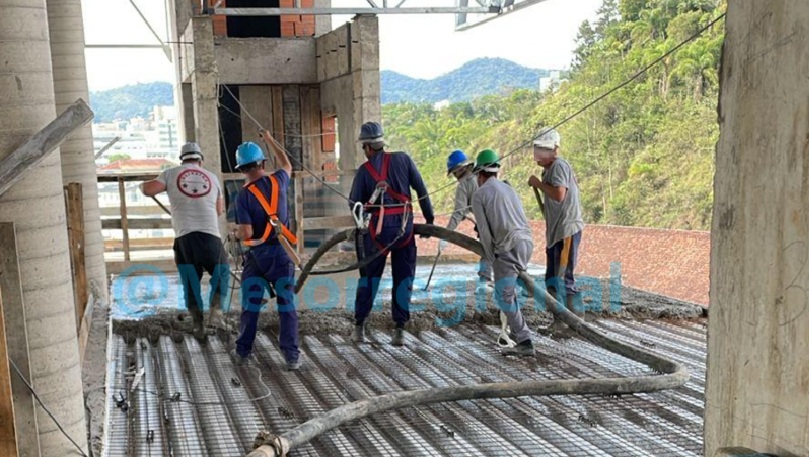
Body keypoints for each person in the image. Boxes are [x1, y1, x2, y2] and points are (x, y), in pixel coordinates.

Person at [349, 122, 435, 346]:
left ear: (367, 147)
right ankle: (399, 330)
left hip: (377, 236)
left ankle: (359, 327)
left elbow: (355, 205)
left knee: (369, 278)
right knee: (403, 278)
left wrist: (362, 222)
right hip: (404, 231)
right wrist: (429, 219)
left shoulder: (364, 172)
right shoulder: (403, 160)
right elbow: (421, 189)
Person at [140, 142, 229, 340]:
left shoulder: (171, 173)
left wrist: (141, 186)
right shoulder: (212, 178)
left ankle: (198, 324)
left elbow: (149, 190)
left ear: (182, 159)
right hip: (210, 236)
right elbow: (219, 210)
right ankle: (216, 313)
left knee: (190, 281)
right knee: (222, 271)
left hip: (185, 239)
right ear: (200, 160)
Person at [231, 130, 300, 370]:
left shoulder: (242, 197)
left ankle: (242, 352)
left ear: (241, 169)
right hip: (282, 253)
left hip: (258, 258)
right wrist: (270, 140)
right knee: (286, 304)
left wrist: (235, 233)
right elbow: (286, 162)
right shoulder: (279, 180)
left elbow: (247, 234)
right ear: (262, 162)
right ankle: (291, 356)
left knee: (250, 305)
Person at [471, 149, 536, 356]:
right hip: (526, 242)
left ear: (480, 174)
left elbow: (485, 233)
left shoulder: (479, 194)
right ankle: (518, 333)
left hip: (508, 247)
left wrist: (491, 258)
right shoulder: (509, 189)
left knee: (503, 296)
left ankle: (525, 341)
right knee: (508, 292)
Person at [527, 128, 585, 331]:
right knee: (551, 278)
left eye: (541, 149)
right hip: (555, 232)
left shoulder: (560, 166)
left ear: (552, 150)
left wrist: (537, 184)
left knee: (563, 277)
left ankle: (576, 320)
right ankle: (559, 321)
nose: (537, 154)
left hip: (566, 230)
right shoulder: (548, 170)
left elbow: (560, 194)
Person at [442, 149, 494, 293]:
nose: (454, 176)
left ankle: (485, 281)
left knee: (487, 248)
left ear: (459, 169)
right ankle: (521, 282)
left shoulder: (463, 185)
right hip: (499, 216)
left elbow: (458, 212)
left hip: (486, 221)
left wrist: (446, 235)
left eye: (454, 173)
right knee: (506, 250)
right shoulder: (482, 176)